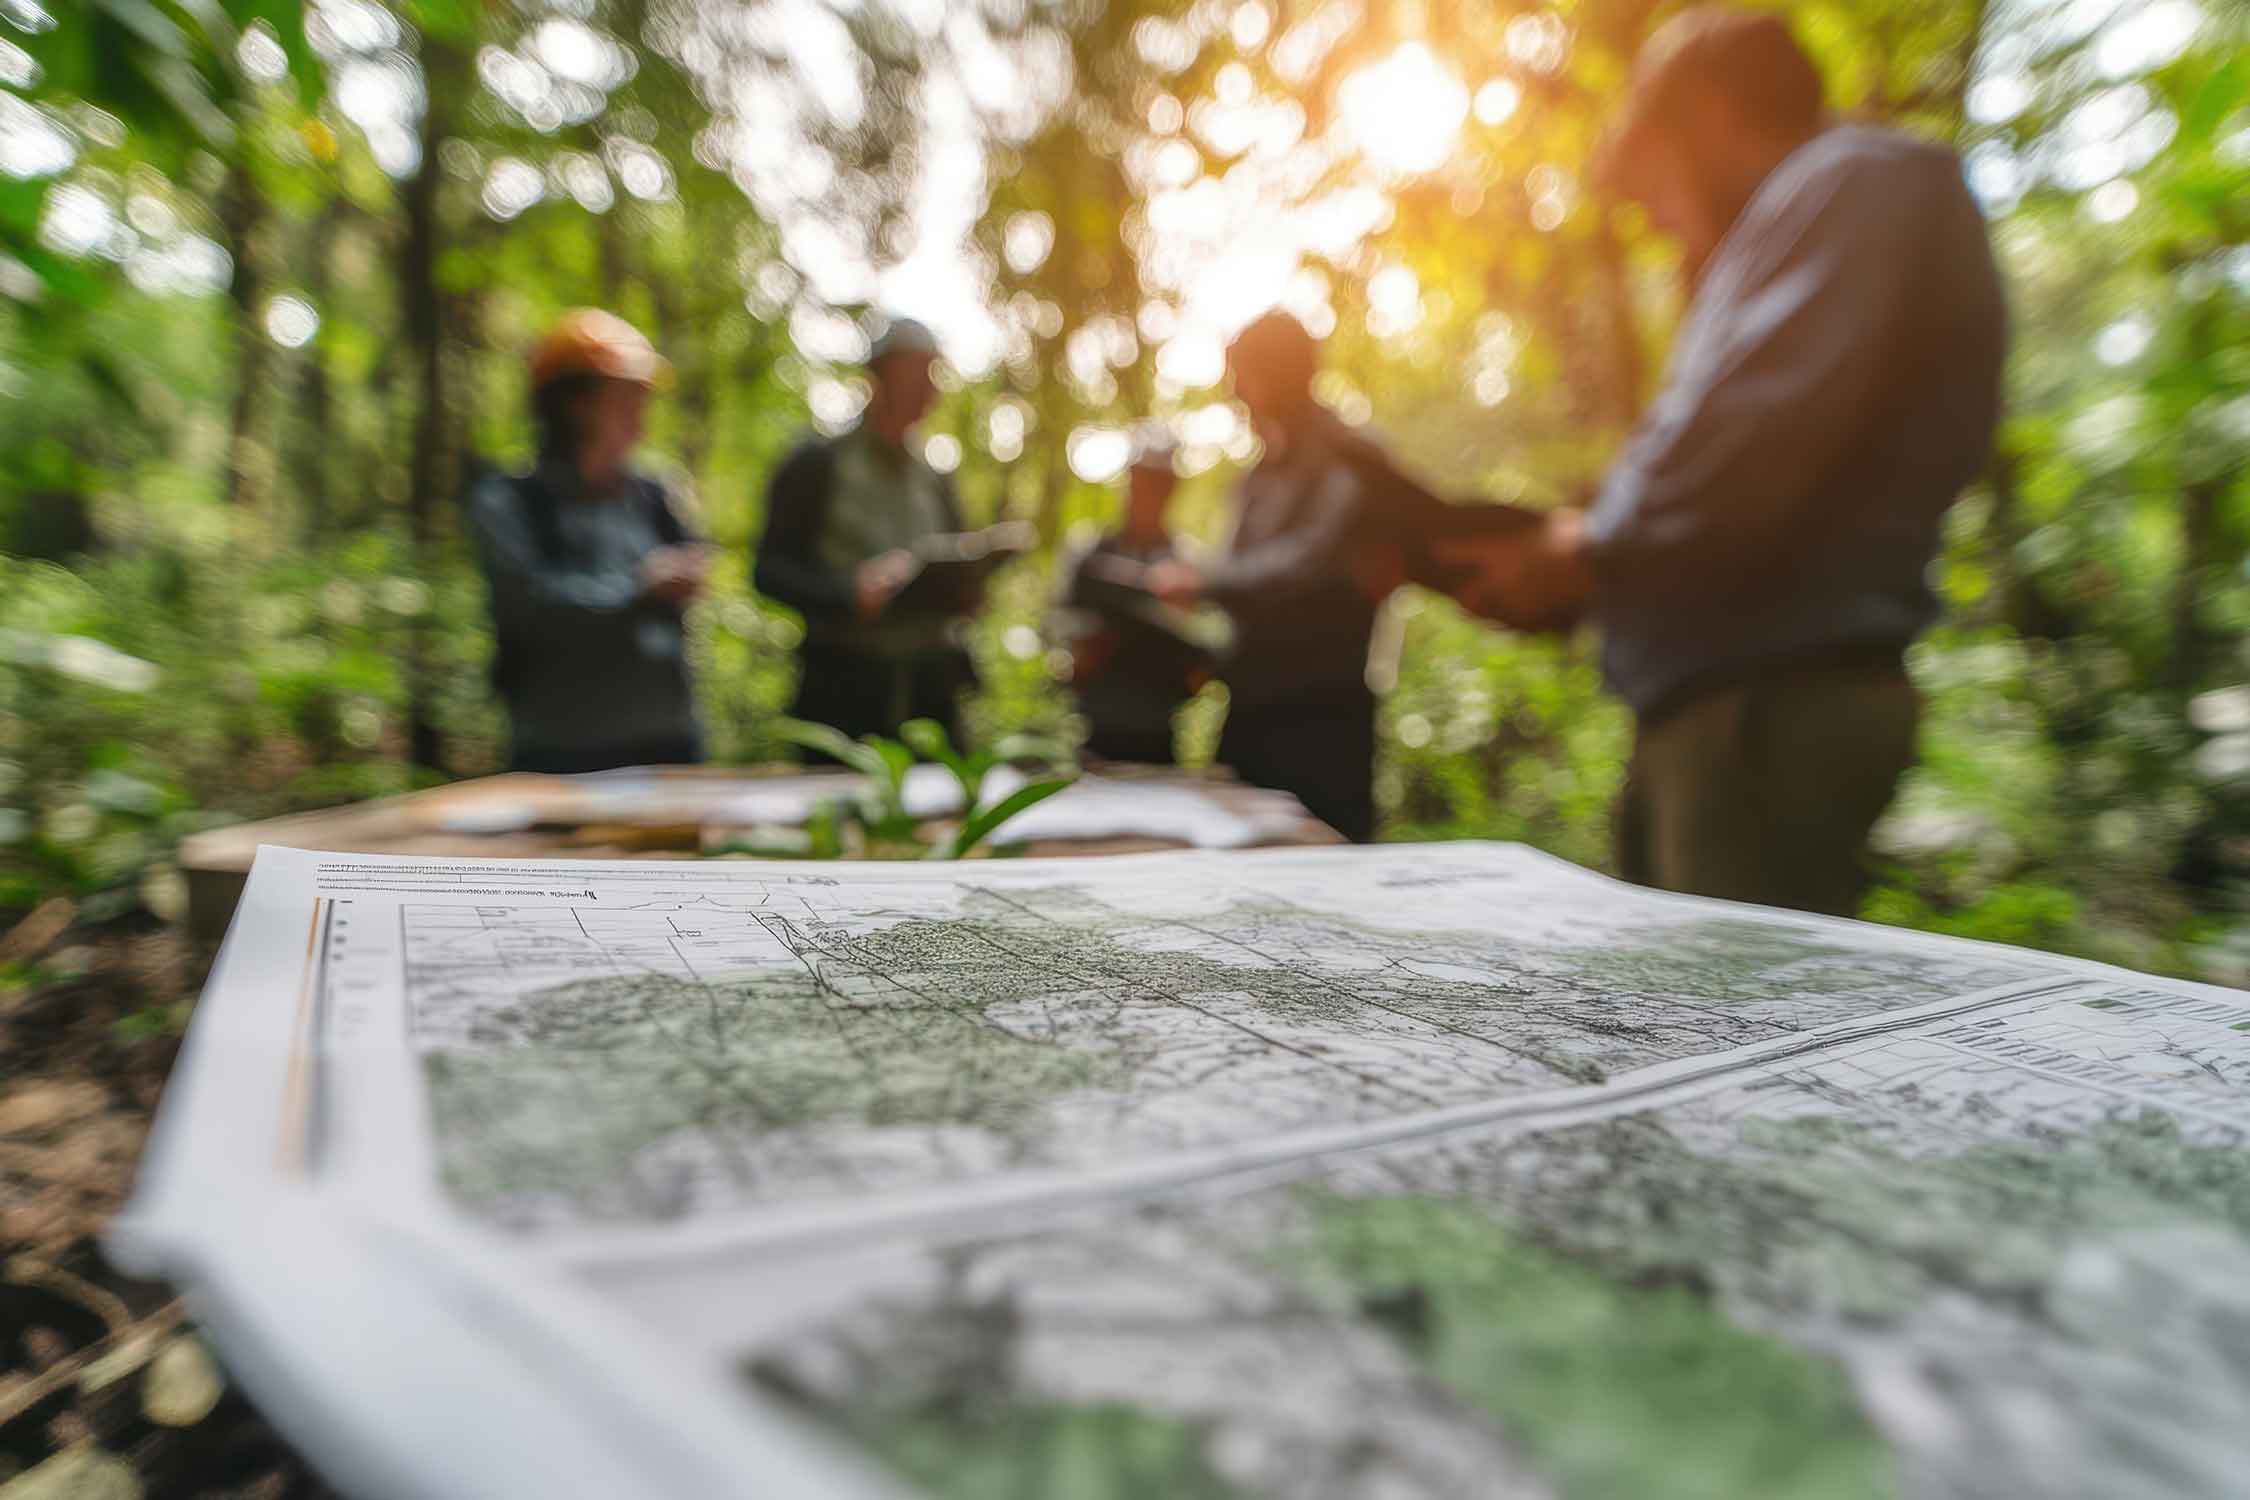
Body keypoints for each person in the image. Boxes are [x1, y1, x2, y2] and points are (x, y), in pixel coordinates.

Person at [1436, 6, 2007, 916]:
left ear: (1705, 114)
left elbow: (1747, 435)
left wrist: (1582, 549)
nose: (1663, 230)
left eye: (1652, 193)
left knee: (1736, 1031)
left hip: (1764, 713)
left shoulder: (1852, 181)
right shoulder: (1822, 205)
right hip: (1728, 706)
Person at [1141, 312, 1439, 842]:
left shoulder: (1350, 457)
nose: (1237, 393)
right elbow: (1244, 573)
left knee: (1327, 865)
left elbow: (1313, 559)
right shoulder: (1259, 474)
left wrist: (1205, 582)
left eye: (1244, 376)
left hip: (1323, 715)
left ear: (1278, 373)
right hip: (1252, 710)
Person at [467, 308, 708, 774]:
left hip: (668, 743)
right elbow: (525, 604)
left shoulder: (656, 493)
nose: (641, 413)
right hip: (560, 752)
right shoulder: (512, 500)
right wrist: (637, 589)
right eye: (627, 397)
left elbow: (691, 567)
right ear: (575, 403)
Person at [755, 318, 989, 743]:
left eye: (932, 373)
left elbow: (958, 566)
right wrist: (848, 593)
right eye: (913, 373)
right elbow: (769, 571)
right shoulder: (816, 466)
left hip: (931, 696)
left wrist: (969, 591)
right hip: (842, 692)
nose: (926, 387)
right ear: (877, 377)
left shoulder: (937, 479)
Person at [1051, 430, 1210, 765]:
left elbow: (1208, 640)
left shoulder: (1184, 561)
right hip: (1095, 729)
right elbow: (1058, 622)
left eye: (1160, 484)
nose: (1149, 494)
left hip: (1159, 725)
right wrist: (1079, 650)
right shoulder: (1090, 552)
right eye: (1143, 481)